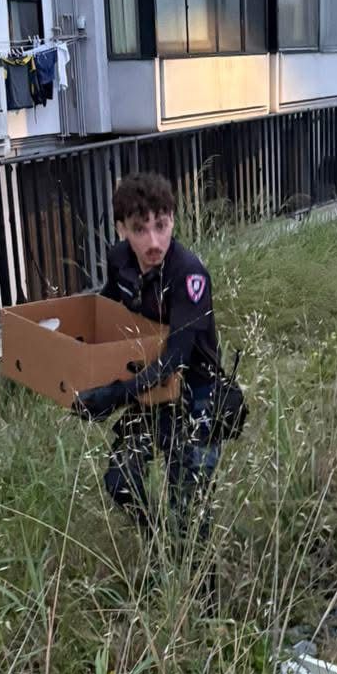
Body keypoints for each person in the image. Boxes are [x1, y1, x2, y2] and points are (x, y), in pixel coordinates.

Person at [71, 172, 222, 543]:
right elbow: (109, 311)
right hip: (146, 385)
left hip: (195, 392)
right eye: (140, 229)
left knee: (188, 503)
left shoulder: (189, 275)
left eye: (161, 225)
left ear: (173, 221)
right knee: (120, 481)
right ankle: (158, 542)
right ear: (122, 229)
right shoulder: (120, 260)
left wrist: (113, 395)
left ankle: (194, 568)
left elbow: (175, 359)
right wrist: (81, 369)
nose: (154, 241)